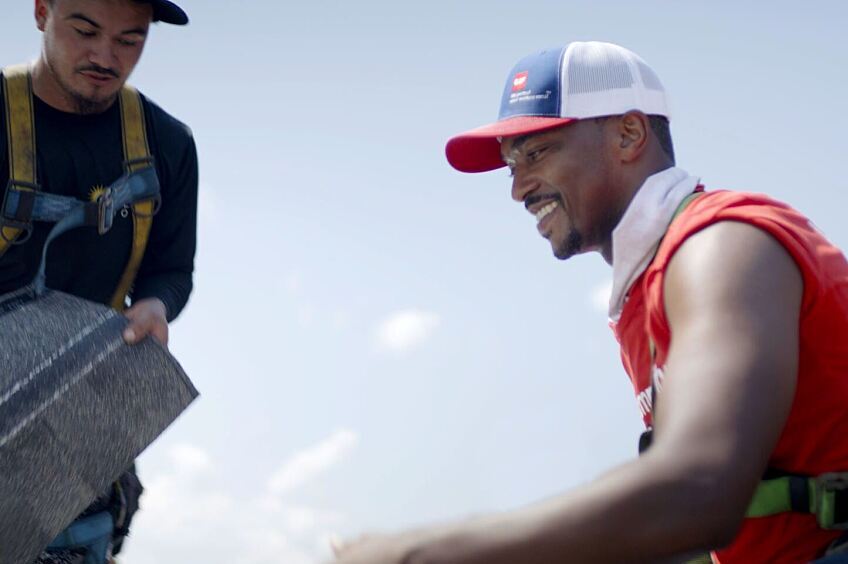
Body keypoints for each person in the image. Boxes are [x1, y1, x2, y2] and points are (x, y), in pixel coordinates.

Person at [332, 41, 848, 563]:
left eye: (536, 152)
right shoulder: (646, 285)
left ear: (628, 134)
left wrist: (417, 553)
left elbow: (699, 490)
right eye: (511, 164)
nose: (517, 189)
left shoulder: (720, 245)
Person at [0, 0, 197, 561]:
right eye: (85, 31)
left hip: (80, 416)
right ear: (42, 12)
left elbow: (171, 270)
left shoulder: (167, 144)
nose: (105, 56)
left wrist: (157, 305)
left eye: (129, 41)